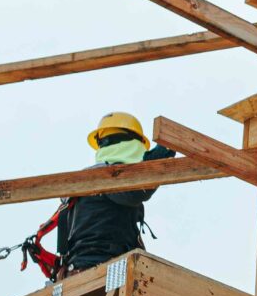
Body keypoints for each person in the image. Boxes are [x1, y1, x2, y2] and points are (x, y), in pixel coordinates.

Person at [24, 112, 177, 277]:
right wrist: (161, 155)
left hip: (78, 272)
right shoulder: (107, 178)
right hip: (103, 269)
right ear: (131, 144)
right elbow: (135, 191)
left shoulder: (81, 187)